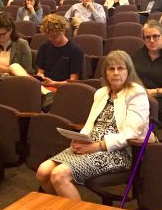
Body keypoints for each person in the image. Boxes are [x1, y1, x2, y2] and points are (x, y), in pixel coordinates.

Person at [35, 50, 150, 200]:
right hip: (89, 145)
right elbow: (90, 124)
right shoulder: (101, 93)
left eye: (120, 68)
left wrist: (98, 146)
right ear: (106, 73)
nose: (116, 73)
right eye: (111, 68)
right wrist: (79, 139)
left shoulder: (136, 93)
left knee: (59, 175)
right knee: (43, 172)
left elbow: (131, 133)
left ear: (128, 71)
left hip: (116, 152)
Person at [34, 14, 84, 88]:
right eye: (49, 35)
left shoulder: (75, 50)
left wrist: (53, 83)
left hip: (63, 88)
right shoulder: (44, 46)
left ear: (63, 31)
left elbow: (73, 81)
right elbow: (40, 72)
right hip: (45, 85)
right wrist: (41, 77)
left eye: (54, 35)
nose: (51, 39)